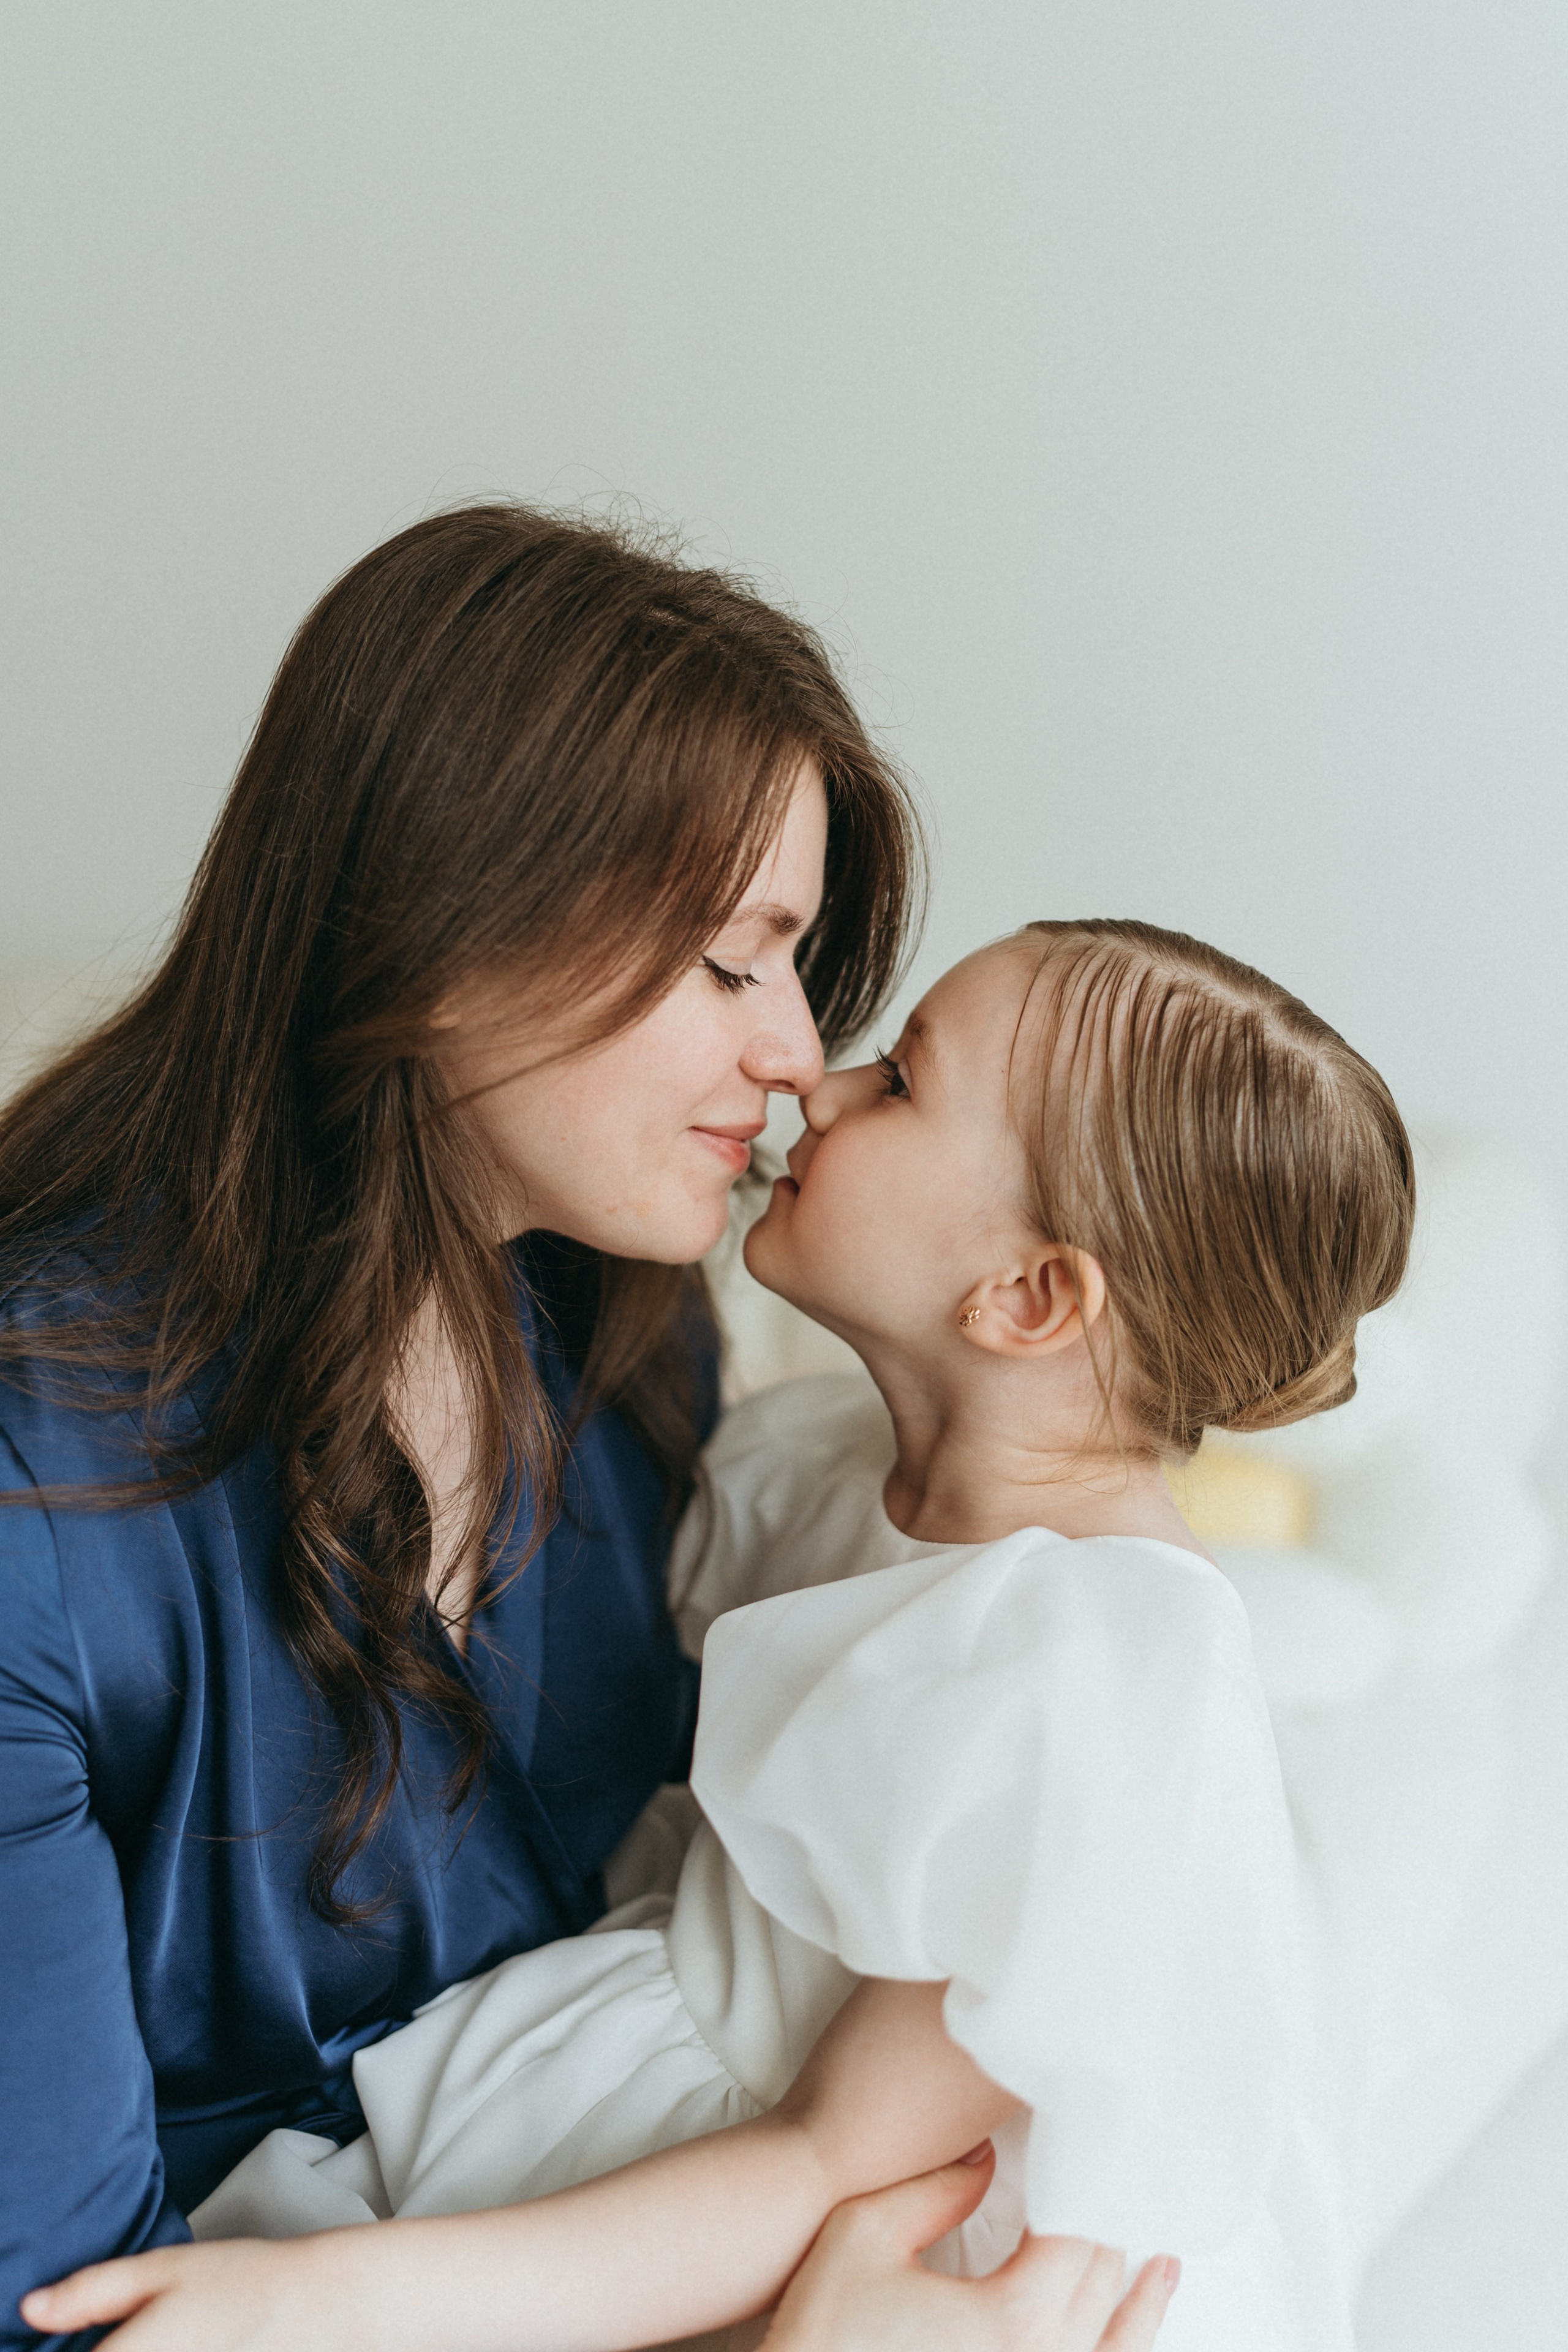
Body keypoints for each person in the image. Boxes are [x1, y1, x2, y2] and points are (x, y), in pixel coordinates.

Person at [0, 504, 1163, 2352]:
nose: (795, 1050)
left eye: (797, 964)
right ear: (449, 923)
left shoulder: (625, 1334)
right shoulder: (41, 1502)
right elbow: (60, 2314)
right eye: (730, 962)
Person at [27, 919, 1415, 2351]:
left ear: (1027, 1298)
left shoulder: (1087, 1681)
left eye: (903, 1085)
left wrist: (310, 2301)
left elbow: (828, 2159)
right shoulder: (826, 1465)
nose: (821, 1080)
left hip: (807, 2225)